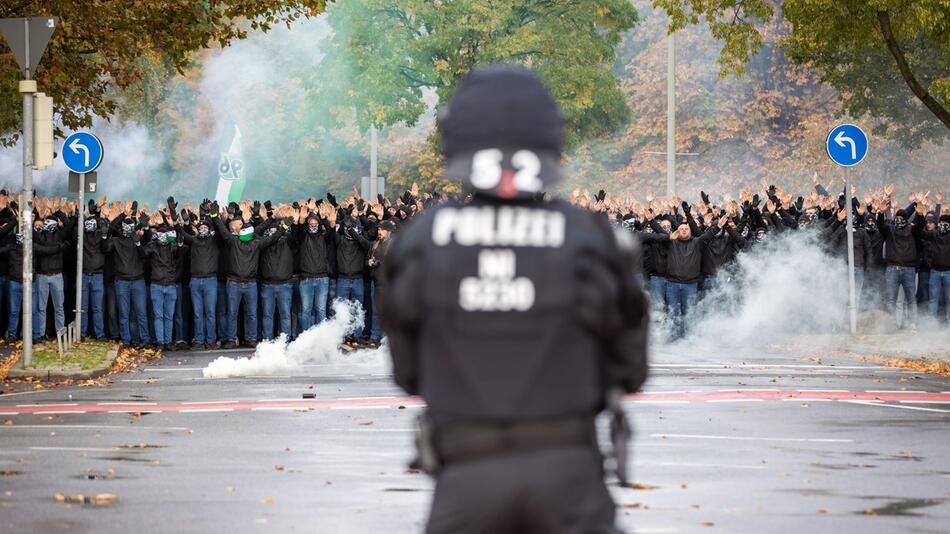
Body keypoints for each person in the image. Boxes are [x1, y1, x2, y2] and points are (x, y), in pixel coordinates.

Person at [382, 65, 649, 533]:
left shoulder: (422, 239)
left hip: (465, 476)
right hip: (570, 476)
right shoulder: (589, 238)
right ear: (551, 139)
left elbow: (407, 375)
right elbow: (631, 369)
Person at [211, 201, 290, 349]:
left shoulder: (252, 243)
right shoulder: (235, 241)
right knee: (233, 313)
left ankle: (251, 339)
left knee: (251, 313)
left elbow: (271, 238)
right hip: (234, 282)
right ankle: (231, 339)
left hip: (250, 283)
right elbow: (222, 230)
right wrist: (215, 217)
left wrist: (280, 225)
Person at [180, 215, 220, 349]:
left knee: (210, 312)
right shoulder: (194, 241)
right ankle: (199, 341)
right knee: (198, 313)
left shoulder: (214, 240)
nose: (203, 229)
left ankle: (211, 341)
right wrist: (179, 221)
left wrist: (214, 217)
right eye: (200, 227)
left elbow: (221, 232)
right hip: (195, 280)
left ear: (209, 229)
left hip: (210, 280)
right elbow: (182, 233)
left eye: (205, 227)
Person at [367, 219, 394, 347]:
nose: (379, 231)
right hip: (376, 281)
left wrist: (380, 263)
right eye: (378, 229)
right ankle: (374, 337)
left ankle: (387, 339)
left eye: (382, 229)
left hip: (388, 283)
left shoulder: (393, 244)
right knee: (376, 311)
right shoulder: (376, 243)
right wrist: (369, 262)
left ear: (388, 232)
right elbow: (368, 257)